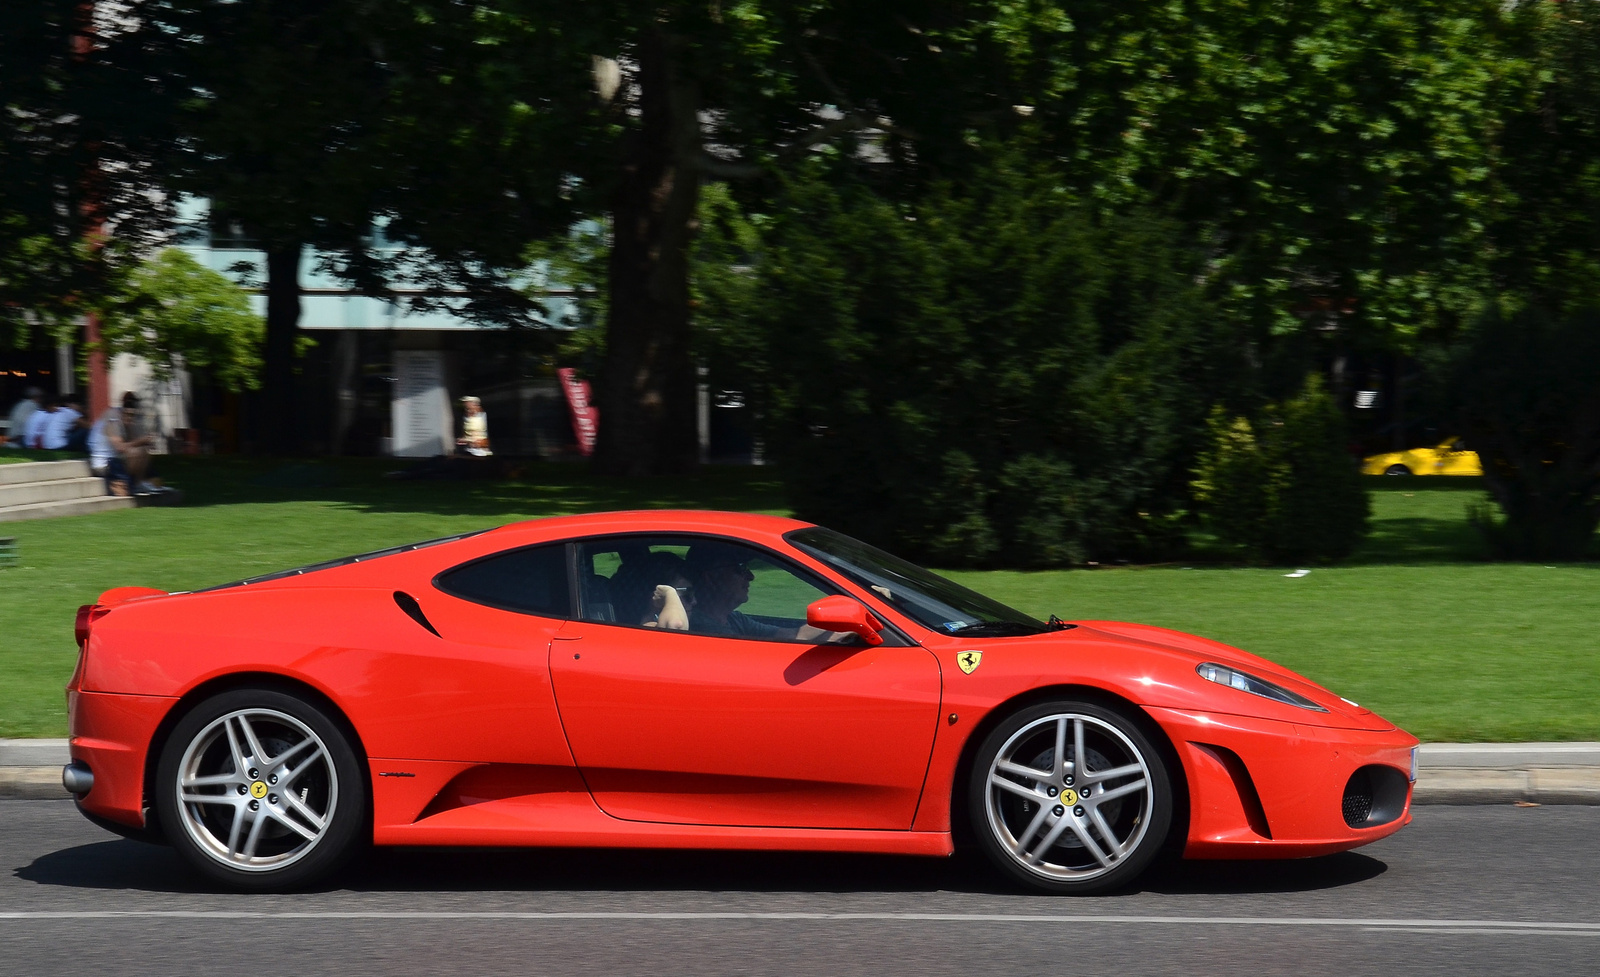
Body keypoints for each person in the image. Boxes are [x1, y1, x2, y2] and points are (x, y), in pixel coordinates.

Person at [685, 542, 841, 642]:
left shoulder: (734, 619)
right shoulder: (702, 629)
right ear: (711, 578)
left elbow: (794, 636)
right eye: (739, 569)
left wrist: (846, 631)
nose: (750, 576)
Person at [89, 392, 164, 495]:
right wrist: (141, 441)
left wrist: (146, 441)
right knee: (136, 452)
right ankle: (133, 484)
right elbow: (120, 447)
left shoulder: (123, 419)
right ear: (122, 411)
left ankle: (138, 484)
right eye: (128, 415)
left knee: (144, 450)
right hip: (103, 463)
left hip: (114, 458)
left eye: (132, 415)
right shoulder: (112, 419)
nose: (130, 418)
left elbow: (132, 440)